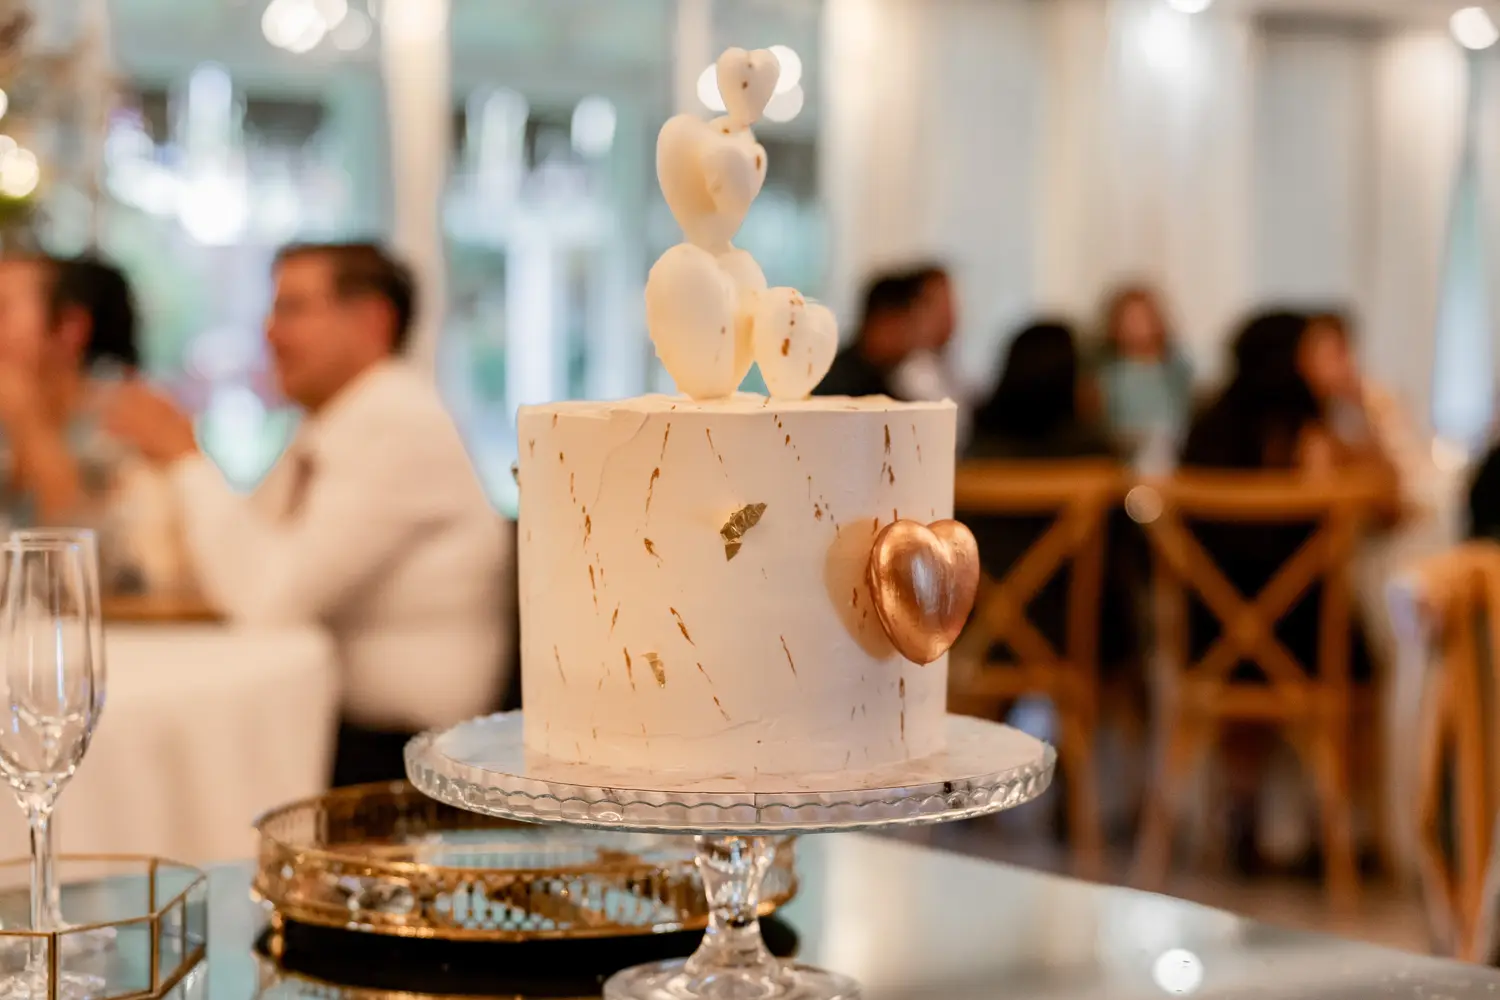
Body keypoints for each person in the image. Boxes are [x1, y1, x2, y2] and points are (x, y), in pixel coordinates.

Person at [105, 242, 510, 786]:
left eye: (292, 309)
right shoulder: (335, 422)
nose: (270, 333)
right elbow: (236, 560)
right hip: (351, 734)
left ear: (372, 321)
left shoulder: (398, 423)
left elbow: (268, 600)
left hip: (404, 762)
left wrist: (183, 456)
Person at [0, 253, 185, 590]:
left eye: (2, 310)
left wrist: (30, 427)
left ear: (70, 328)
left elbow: (107, 576)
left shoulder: (131, 420)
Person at [1093, 285, 1193, 452]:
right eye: (1129, 320)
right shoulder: (1108, 376)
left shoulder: (1177, 371)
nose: (1136, 327)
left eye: (1142, 319)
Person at [815, 272, 924, 399]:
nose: (911, 337)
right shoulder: (838, 383)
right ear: (886, 321)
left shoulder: (885, 377)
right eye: (908, 324)